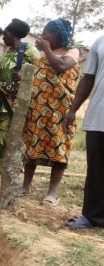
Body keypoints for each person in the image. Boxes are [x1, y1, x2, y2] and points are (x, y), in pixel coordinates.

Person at [21, 18, 81, 206]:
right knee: (32, 147)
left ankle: (52, 193)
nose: (42, 36)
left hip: (61, 112)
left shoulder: (73, 51)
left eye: (45, 33)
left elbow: (61, 67)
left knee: (59, 149)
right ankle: (25, 187)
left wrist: (46, 49)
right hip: (38, 109)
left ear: (56, 35)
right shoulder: (43, 55)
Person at [63, 34, 104, 229]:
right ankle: (93, 217)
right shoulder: (100, 42)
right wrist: (72, 110)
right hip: (99, 116)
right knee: (96, 169)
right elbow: (88, 78)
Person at [0, 18, 39, 159]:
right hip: (3, 99)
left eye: (5, 33)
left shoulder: (28, 49)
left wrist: (24, 74)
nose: (3, 37)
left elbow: (41, 68)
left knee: (9, 132)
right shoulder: (8, 52)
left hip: (18, 100)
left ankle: (9, 163)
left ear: (12, 34)